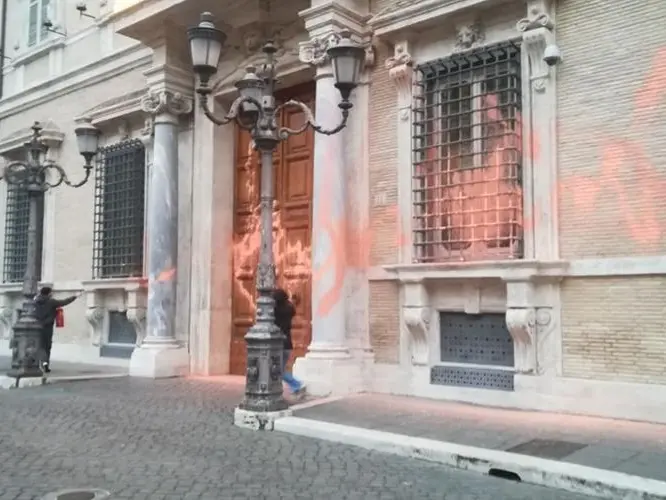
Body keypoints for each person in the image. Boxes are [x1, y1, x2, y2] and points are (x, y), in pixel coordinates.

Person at [34, 286, 79, 372]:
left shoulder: (35, 301)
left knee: (40, 345)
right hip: (48, 326)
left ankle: (41, 363)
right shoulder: (51, 301)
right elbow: (64, 302)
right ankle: (45, 364)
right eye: (51, 292)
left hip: (37, 326)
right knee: (47, 346)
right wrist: (74, 296)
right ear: (48, 293)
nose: (52, 294)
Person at [273, 288, 306, 399]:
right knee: (277, 369)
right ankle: (291, 388)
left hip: (278, 344)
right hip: (287, 344)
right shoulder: (290, 309)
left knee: (277, 370)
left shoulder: (275, 311)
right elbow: (290, 305)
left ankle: (297, 384)